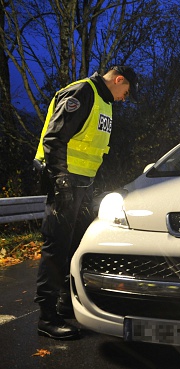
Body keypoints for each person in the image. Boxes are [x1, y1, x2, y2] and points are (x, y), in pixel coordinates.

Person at [33, 66, 138, 339]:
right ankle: (47, 318)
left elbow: (94, 148)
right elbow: (54, 138)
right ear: (118, 80)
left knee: (76, 245)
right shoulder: (83, 92)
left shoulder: (105, 103)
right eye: (126, 92)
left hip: (83, 184)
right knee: (56, 247)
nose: (124, 99)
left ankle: (64, 303)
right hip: (65, 182)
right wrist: (61, 181)